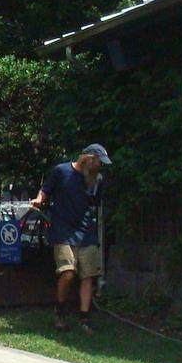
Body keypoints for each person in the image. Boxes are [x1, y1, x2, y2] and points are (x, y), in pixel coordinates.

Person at [30, 143, 111, 334]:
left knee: (88, 275)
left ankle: (84, 318)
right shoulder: (61, 171)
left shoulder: (97, 179)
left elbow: (94, 203)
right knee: (68, 272)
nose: (100, 166)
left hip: (86, 233)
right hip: (63, 231)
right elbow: (45, 190)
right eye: (99, 161)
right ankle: (60, 311)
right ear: (89, 158)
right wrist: (39, 200)